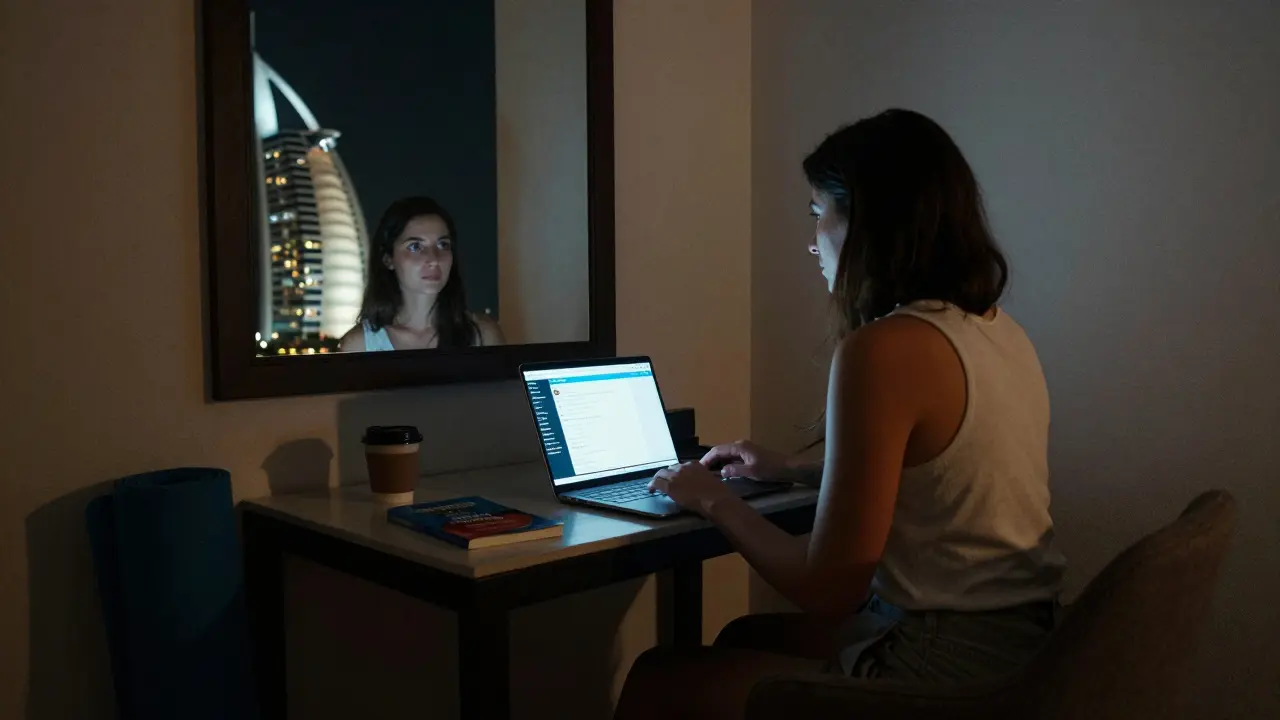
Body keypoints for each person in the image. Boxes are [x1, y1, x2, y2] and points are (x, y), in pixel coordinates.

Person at [614, 109, 1067, 719]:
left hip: (947, 664)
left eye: (815, 213)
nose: (811, 239)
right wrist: (792, 471)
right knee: (740, 640)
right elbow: (938, 480)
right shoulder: (993, 329)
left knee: (661, 677)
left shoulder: (884, 349)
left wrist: (708, 497)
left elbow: (827, 590)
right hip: (1025, 646)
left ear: (867, 220)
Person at [340, 196, 504, 352]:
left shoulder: (483, 335)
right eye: (415, 247)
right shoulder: (359, 345)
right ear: (388, 259)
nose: (433, 259)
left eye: (443, 245)